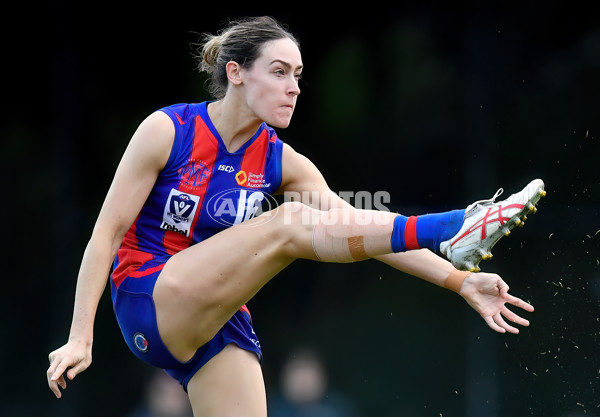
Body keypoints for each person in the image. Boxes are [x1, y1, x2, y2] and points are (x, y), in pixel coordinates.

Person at [47, 16, 545, 416]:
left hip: (214, 324)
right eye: (280, 72)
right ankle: (456, 223)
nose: (294, 88)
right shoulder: (167, 130)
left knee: (315, 220)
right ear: (236, 72)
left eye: (299, 76)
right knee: (287, 222)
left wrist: (459, 282)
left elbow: (360, 229)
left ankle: (456, 239)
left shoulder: (283, 161)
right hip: (148, 297)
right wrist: (79, 338)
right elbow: (105, 235)